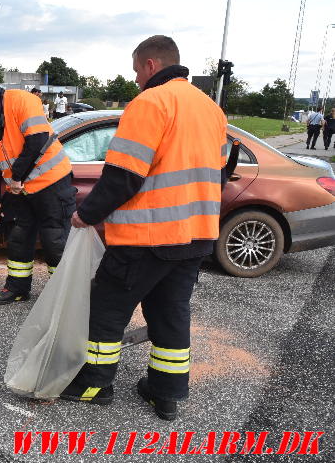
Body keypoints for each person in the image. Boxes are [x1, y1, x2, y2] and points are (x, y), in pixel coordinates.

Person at [59, 35, 228, 421]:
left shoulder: (150, 103)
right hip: (196, 235)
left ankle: (94, 384)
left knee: (107, 309)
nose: (135, 79)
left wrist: (87, 214)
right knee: (171, 313)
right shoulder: (210, 109)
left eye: (136, 71)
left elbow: (124, 175)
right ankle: (165, 392)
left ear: (151, 65)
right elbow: (217, 175)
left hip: (146, 237)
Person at [0, 76, 77, 305]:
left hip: (52, 184)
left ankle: (63, 296)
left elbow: (37, 141)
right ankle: (18, 288)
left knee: (55, 241)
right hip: (21, 191)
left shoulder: (22, 101)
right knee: (19, 239)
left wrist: (15, 177)